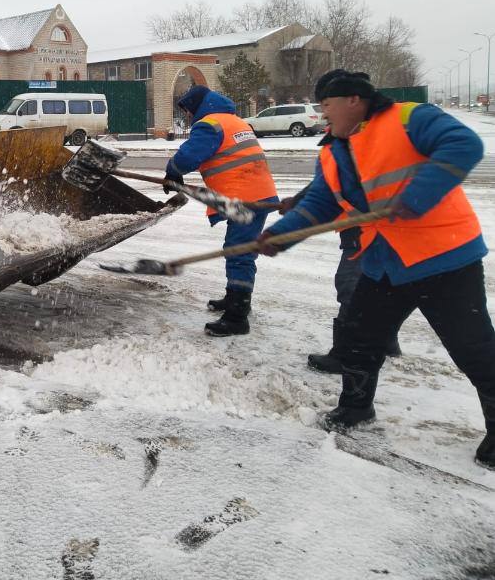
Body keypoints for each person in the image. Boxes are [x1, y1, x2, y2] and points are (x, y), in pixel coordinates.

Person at [257, 70, 495, 469]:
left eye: (326, 105)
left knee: (473, 348)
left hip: (444, 257)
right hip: (385, 261)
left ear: (354, 100)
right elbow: (321, 203)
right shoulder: (333, 150)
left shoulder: (410, 118)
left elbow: (464, 145)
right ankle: (355, 409)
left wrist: (414, 197)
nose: (322, 113)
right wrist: (280, 235)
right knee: (360, 337)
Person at [278, 70, 400, 373]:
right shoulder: (352, 132)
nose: (322, 112)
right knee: (377, 288)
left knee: (352, 288)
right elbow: (331, 183)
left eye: (325, 104)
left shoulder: (360, 134)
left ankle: (345, 354)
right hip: (366, 228)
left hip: (367, 229)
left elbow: (344, 186)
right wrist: (298, 202)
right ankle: (384, 338)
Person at [165, 85, 278, 336]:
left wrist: (173, 169)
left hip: (245, 198)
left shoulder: (209, 124)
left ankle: (237, 316)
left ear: (198, 106)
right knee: (237, 249)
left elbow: (189, 157)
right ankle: (234, 299)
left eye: (187, 110)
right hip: (259, 193)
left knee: (239, 253)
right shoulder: (235, 121)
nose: (187, 116)